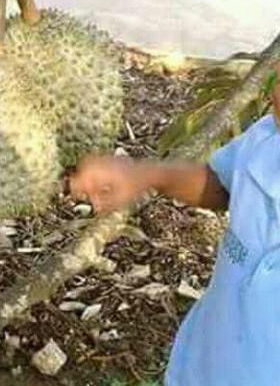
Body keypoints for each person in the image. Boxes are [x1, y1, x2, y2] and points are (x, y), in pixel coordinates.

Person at [69, 66, 280, 386]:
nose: (275, 93)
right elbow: (222, 186)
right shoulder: (267, 140)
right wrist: (149, 175)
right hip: (203, 366)